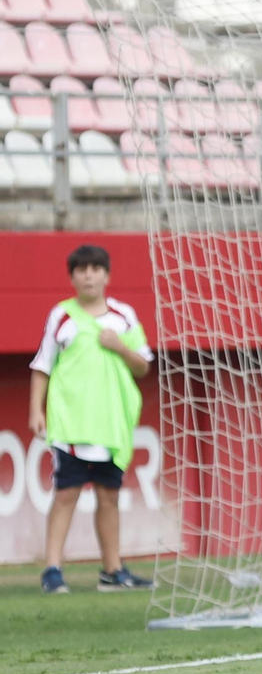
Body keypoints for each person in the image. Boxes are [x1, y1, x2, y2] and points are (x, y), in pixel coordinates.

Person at [28, 244, 155, 594]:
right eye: (81, 270)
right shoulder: (61, 316)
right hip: (72, 423)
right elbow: (42, 365)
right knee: (66, 493)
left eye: (95, 269)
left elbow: (143, 365)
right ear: (72, 277)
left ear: (107, 275)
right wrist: (35, 410)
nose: (89, 275)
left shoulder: (123, 316)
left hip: (111, 425)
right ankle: (52, 570)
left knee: (109, 495)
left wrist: (119, 346)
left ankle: (113, 571)